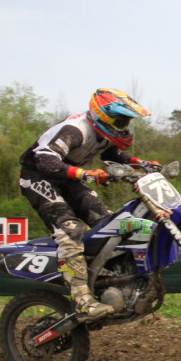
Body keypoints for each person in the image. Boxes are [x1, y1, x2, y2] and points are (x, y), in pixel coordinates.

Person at [19, 88, 160, 320]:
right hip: (38, 178)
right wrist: (85, 174)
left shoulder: (102, 133)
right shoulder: (75, 130)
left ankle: (106, 280)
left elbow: (112, 156)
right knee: (70, 230)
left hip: (68, 179)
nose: (124, 126)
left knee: (111, 223)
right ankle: (82, 300)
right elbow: (45, 160)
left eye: (126, 122)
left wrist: (142, 164)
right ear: (103, 116)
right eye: (120, 121)